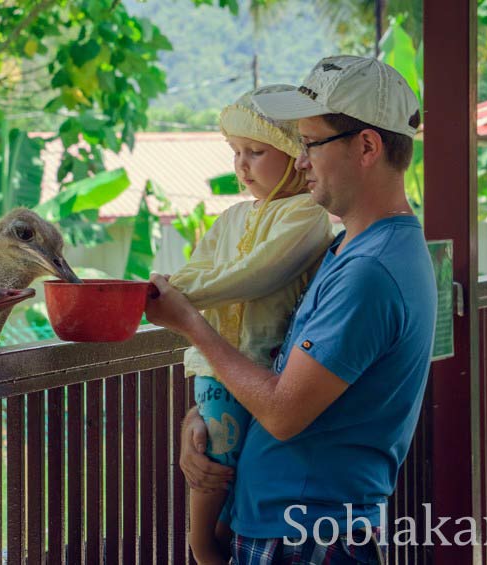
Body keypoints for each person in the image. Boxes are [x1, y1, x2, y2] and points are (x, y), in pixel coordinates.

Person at [146, 55, 438, 564]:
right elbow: (282, 371)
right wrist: (201, 415)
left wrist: (191, 323)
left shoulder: (371, 270)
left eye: (309, 144)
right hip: (286, 524)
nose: (299, 162)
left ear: (367, 146)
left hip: (309, 536)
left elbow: (283, 412)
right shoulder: (348, 248)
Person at [167, 84, 334, 564]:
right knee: (215, 443)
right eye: (236, 152)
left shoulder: (306, 215)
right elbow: (196, 268)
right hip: (215, 361)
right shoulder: (232, 217)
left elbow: (259, 272)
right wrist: (171, 288)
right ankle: (203, 543)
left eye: (257, 152)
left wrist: (181, 301)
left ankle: (208, 542)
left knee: (231, 451)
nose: (241, 165)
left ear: (293, 155)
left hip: (265, 360)